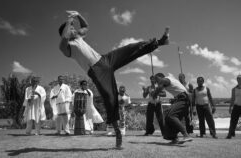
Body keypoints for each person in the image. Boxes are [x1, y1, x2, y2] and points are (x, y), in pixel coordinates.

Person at [58, 10, 169, 149]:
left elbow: (86, 26)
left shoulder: (79, 37)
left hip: (105, 59)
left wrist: (78, 15)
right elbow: (62, 41)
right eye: (71, 28)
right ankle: (118, 133)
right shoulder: (67, 47)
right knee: (110, 100)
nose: (74, 29)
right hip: (97, 72)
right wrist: (69, 22)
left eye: (74, 28)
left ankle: (159, 42)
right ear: (66, 32)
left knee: (130, 49)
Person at [153, 73, 193, 144]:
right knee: (168, 118)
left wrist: (154, 94)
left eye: (156, 80)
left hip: (183, 98)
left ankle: (186, 135)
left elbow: (159, 88)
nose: (156, 82)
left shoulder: (164, 79)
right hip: (182, 99)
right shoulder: (169, 80)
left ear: (160, 77)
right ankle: (174, 138)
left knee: (171, 116)